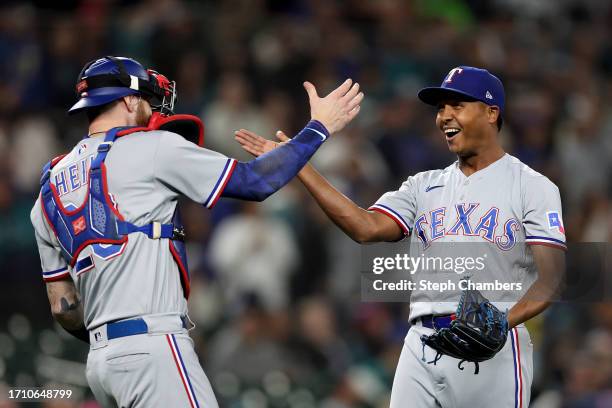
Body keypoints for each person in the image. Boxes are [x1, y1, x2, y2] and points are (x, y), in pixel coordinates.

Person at [30, 56, 363, 407]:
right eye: (146, 99)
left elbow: (63, 308)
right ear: (129, 100)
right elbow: (255, 181)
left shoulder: (47, 189)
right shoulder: (151, 147)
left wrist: (113, 342)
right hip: (153, 346)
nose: (151, 108)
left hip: (100, 363)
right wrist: (318, 128)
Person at [236, 66, 566, 407]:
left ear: (491, 112)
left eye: (457, 105)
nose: (444, 117)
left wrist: (500, 323)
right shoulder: (423, 185)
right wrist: (299, 165)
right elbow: (365, 227)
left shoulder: (532, 186)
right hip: (421, 342)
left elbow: (552, 279)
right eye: (441, 108)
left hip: (490, 348)